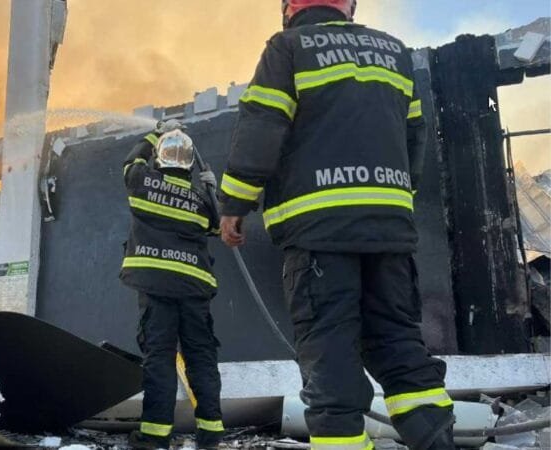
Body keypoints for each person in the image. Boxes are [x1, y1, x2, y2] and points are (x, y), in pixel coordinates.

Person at [218, 1, 454, 448]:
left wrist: (235, 203)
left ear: (289, 8)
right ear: (348, 6)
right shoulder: (394, 50)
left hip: (317, 233)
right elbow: (415, 136)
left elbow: (262, 126)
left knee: (330, 351)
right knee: (399, 343)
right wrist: (391, 201)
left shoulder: (288, 47)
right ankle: (437, 441)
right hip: (388, 231)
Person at [120, 120, 224, 450]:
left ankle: (155, 437)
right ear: (191, 165)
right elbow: (216, 228)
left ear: (159, 159)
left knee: (160, 359)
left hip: (157, 288)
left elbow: (130, 162)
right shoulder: (199, 198)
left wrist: (156, 131)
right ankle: (210, 433)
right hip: (194, 290)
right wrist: (212, 190)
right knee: (201, 358)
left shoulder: (143, 181)